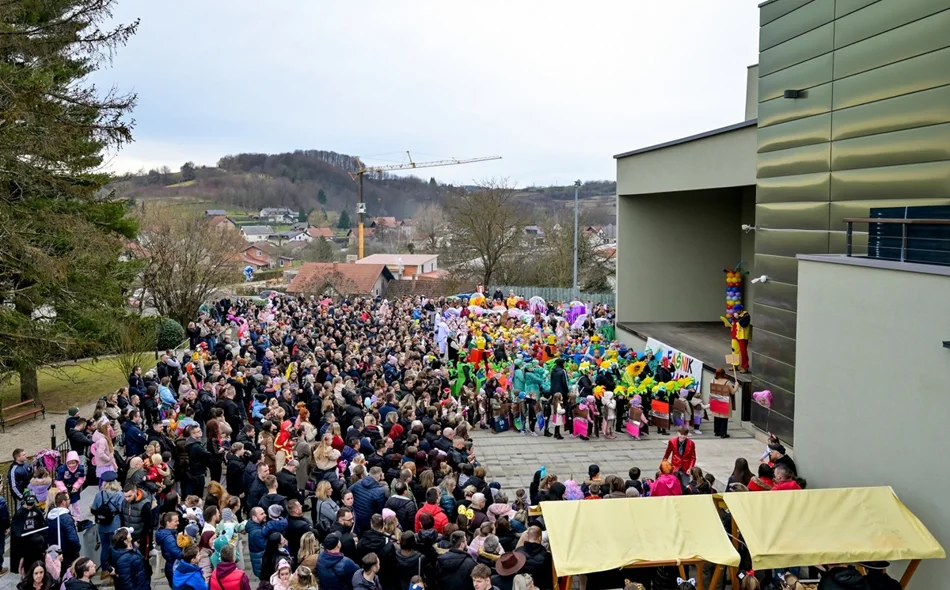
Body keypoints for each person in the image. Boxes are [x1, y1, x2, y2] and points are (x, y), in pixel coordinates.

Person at [90, 473, 123, 576]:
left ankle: (104, 571)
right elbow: (122, 509)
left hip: (102, 525)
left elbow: (94, 509)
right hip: (115, 524)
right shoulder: (118, 494)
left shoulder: (99, 494)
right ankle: (113, 570)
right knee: (115, 548)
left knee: (104, 547)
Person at [10, 492, 47, 577]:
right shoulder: (20, 513)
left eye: (32, 504)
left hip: (36, 541)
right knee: (27, 562)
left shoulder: (37, 511)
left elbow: (42, 524)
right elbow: (16, 529)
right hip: (25, 542)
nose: (30, 506)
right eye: (28, 504)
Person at [45, 492, 80, 566]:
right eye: (68, 499)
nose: (70, 500)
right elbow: (72, 538)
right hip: (67, 554)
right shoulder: (65, 517)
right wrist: (77, 548)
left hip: (54, 551)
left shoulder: (49, 516)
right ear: (64, 502)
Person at [709, 369, 738, 439]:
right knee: (724, 418)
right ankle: (723, 433)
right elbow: (733, 392)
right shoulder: (727, 382)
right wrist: (736, 385)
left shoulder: (712, 380)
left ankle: (717, 432)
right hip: (724, 401)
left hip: (715, 400)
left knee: (717, 417)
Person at [156, 512, 183, 588]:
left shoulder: (170, 534)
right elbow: (178, 553)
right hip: (173, 566)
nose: (178, 523)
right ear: (168, 523)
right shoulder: (168, 538)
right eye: (175, 521)